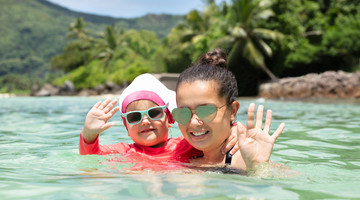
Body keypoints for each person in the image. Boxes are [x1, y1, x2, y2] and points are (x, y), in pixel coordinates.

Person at [79, 73, 239, 170]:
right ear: (126, 127)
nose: (145, 121)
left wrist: (235, 130)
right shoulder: (123, 151)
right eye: (134, 117)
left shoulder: (185, 145)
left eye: (154, 113)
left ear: (170, 118)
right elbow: (90, 157)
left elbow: (214, 137)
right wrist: (89, 134)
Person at [172, 49, 285, 171]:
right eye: (183, 113)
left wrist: (258, 167)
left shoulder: (240, 161)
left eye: (205, 110)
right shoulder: (184, 154)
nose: (193, 122)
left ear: (232, 111)